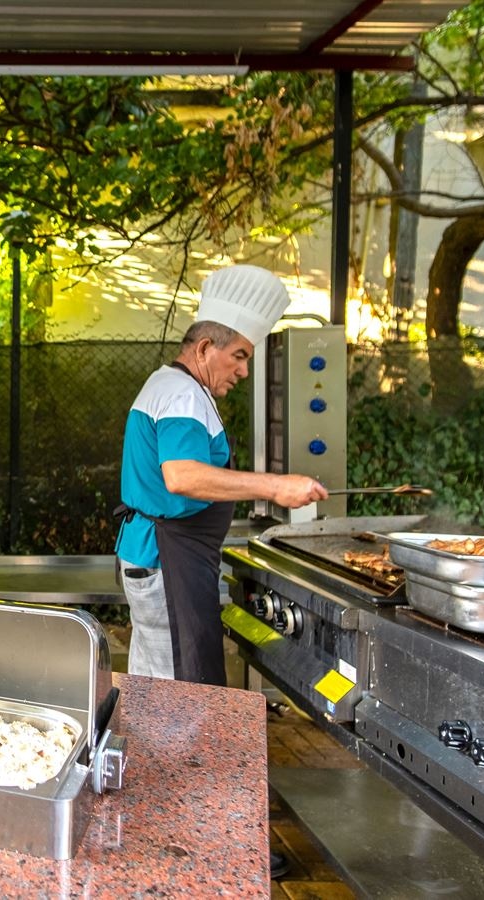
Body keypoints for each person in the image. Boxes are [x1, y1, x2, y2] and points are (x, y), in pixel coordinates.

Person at [116, 265, 328, 686]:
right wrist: (275, 486)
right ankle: (170, 754)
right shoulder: (181, 395)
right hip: (166, 558)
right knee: (177, 692)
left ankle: (148, 751)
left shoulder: (175, 386)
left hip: (163, 556)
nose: (244, 371)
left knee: (157, 682)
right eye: (240, 356)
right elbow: (183, 477)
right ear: (205, 347)